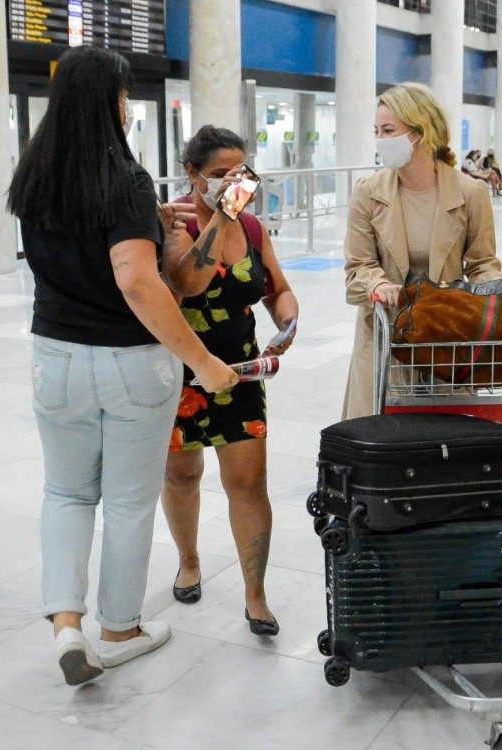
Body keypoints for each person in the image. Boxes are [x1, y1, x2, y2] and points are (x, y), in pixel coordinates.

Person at [8, 46, 239, 687]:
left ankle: (66, 627)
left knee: (66, 493)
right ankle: (119, 630)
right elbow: (136, 280)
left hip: (54, 357)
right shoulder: (123, 179)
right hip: (131, 364)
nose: (129, 106)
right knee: (130, 503)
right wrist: (203, 361)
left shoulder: (35, 175)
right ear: (109, 102)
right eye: (125, 95)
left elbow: (88, 241)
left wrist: (149, 221)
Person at [158, 126, 299, 636]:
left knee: (248, 484)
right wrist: (221, 215)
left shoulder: (253, 227)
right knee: (182, 476)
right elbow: (188, 281)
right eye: (220, 173)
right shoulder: (175, 221)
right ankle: (189, 561)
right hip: (181, 371)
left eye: (239, 172)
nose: (231, 182)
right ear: (192, 173)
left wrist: (287, 321)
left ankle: (255, 595)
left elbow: (276, 288)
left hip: (241, 371)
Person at [342, 82, 502, 419]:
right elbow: (358, 267)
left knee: (438, 436)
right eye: (377, 131)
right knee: (381, 432)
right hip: (384, 334)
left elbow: (482, 263)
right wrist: (377, 284)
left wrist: (499, 289)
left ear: (420, 132)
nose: (380, 140)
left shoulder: (470, 193)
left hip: (446, 338)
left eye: (389, 130)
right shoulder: (368, 193)